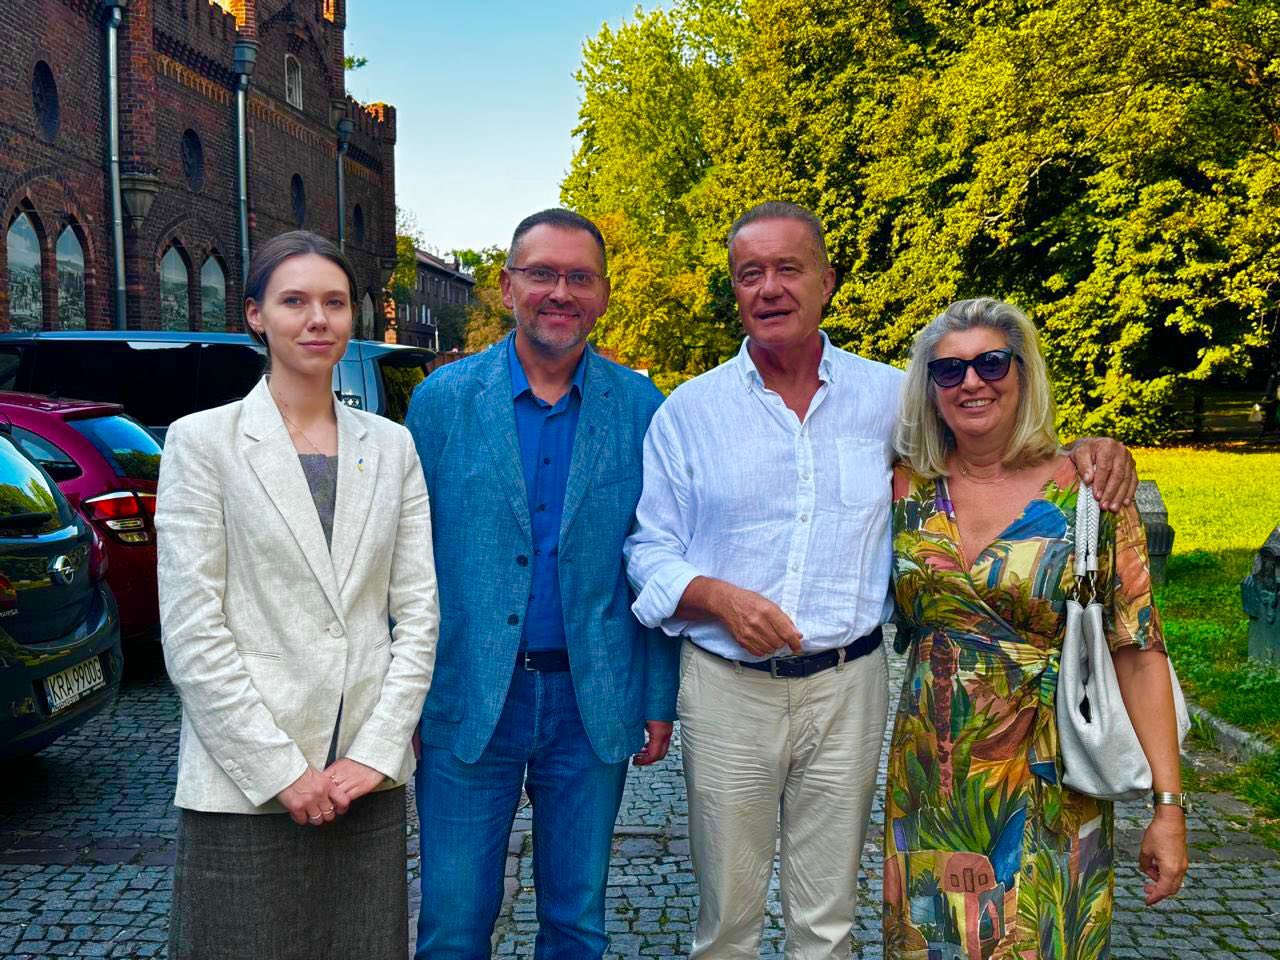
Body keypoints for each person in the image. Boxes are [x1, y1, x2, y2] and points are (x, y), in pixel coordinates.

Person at [623, 202, 1137, 960]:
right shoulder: (690, 411)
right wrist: (715, 597)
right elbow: (649, 547)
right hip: (727, 688)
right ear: (734, 289)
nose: (769, 288)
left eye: (788, 268)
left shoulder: (892, 398)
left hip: (848, 685)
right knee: (727, 919)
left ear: (826, 281)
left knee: (827, 918)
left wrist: (1091, 449)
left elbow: (989, 436)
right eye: (749, 273)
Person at [406, 208, 680, 960]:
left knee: (576, 924)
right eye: (542, 274)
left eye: (579, 277)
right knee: (453, 924)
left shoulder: (642, 409)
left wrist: (658, 696)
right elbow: (406, 562)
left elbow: (659, 555)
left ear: (603, 294)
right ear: (506, 287)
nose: (561, 292)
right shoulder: (442, 402)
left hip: (589, 702)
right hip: (467, 698)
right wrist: (403, 698)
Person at [157, 230, 439, 960]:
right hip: (246, 780)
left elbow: (417, 615)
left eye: (335, 302)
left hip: (361, 781)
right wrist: (281, 771)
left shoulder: (392, 447)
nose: (318, 319)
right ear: (255, 315)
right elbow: (192, 630)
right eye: (294, 301)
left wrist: (376, 753)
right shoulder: (203, 443)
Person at [884, 297, 1187, 959]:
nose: (971, 381)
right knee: (931, 943)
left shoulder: (1089, 493)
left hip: (1052, 778)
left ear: (1024, 374)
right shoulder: (904, 487)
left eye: (992, 363)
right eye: (949, 370)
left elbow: (1138, 650)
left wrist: (1168, 807)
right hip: (932, 781)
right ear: (929, 389)